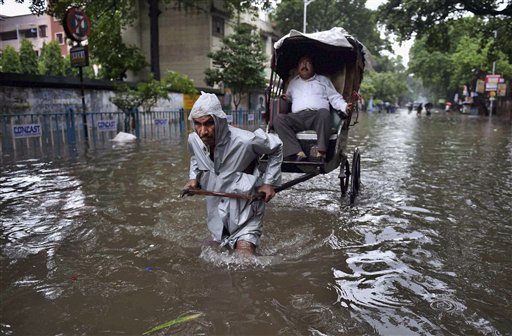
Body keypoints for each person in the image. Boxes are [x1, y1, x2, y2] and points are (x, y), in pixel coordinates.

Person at [182, 92, 283, 256]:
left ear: (219, 121)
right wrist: (194, 178)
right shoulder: (194, 140)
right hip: (216, 208)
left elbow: (276, 147)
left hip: (246, 208)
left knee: (244, 258)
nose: (203, 132)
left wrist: (268, 182)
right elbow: (196, 157)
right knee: (216, 254)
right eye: (197, 124)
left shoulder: (245, 140)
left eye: (208, 124)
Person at [273, 55, 350, 161]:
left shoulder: (323, 80)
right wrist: (286, 98)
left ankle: (320, 153)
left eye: (308, 62)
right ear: (298, 67)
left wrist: (345, 107)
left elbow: (335, 98)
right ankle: (297, 152)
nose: (304, 65)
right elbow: (290, 98)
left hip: (317, 116)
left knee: (324, 112)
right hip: (297, 118)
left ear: (313, 67)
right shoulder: (293, 82)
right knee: (278, 119)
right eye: (301, 63)